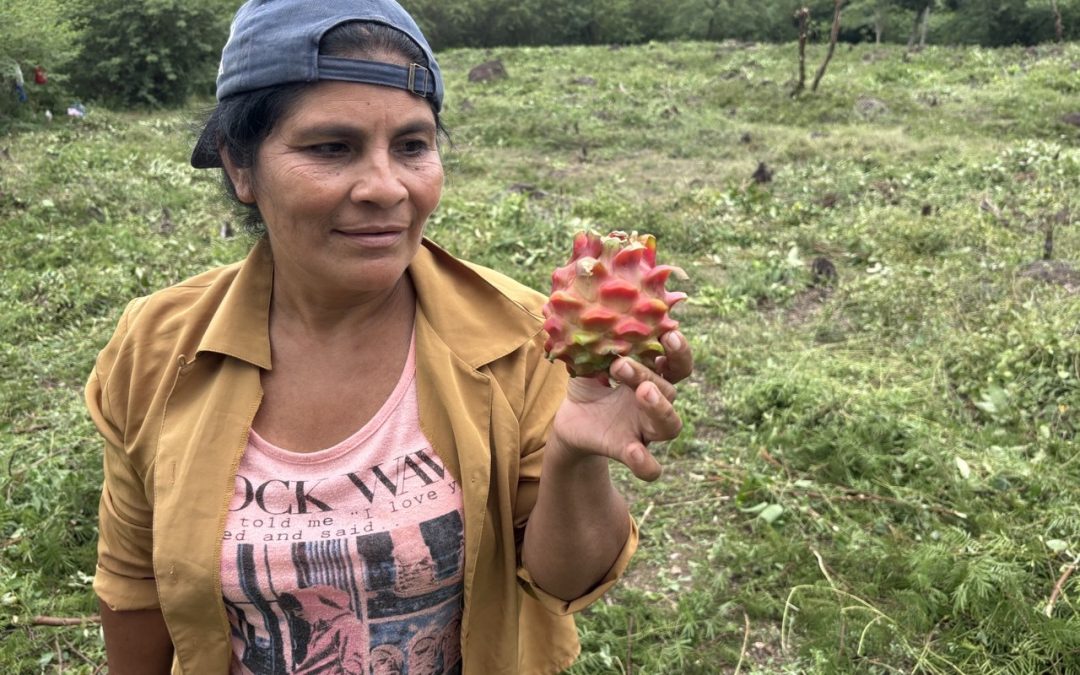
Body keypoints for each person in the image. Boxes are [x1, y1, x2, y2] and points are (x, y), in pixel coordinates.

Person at [84, 1, 693, 673]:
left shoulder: (519, 336)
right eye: (331, 148)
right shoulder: (158, 348)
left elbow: (563, 580)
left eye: (412, 146)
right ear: (240, 166)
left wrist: (574, 457)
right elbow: (133, 586)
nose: (386, 187)